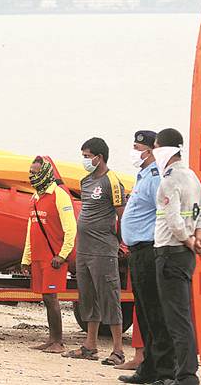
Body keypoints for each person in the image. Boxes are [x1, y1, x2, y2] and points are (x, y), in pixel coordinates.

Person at [150, 128, 201, 385]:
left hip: (170, 252)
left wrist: (188, 239)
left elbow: (174, 220)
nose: (153, 152)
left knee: (176, 319)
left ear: (164, 148)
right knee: (181, 316)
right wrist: (198, 238)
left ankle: (186, 376)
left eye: (155, 146)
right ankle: (181, 373)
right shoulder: (192, 177)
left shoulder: (169, 180)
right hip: (185, 255)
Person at [116, 130, 175, 384]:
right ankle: (148, 368)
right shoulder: (142, 176)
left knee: (155, 312)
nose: (134, 151)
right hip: (138, 252)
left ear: (151, 151)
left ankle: (164, 372)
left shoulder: (154, 178)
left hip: (150, 250)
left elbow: (165, 211)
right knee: (144, 313)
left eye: (138, 147)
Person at [64, 137, 126, 366]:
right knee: (87, 297)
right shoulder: (85, 181)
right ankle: (90, 345)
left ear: (99, 157)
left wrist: (121, 242)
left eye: (87, 156)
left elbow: (123, 214)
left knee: (109, 297)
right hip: (84, 249)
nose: (84, 160)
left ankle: (118, 350)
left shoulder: (113, 181)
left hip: (103, 250)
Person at [21, 156, 77, 353]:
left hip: (54, 258)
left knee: (52, 298)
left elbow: (71, 228)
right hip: (38, 255)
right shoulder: (35, 198)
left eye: (35, 173)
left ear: (44, 173)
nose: (31, 176)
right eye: (30, 172)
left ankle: (58, 342)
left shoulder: (59, 195)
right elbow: (31, 229)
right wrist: (26, 258)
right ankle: (51, 339)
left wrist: (62, 255)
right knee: (45, 297)